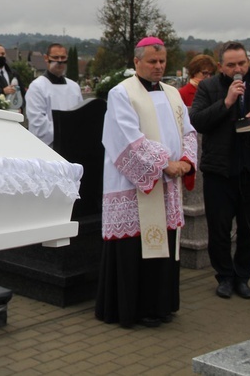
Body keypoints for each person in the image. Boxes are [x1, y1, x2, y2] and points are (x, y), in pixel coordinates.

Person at [95, 37, 197, 329]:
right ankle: (132, 309)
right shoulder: (121, 93)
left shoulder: (173, 94)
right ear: (136, 62)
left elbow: (188, 131)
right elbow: (125, 136)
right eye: (152, 61)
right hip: (134, 184)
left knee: (164, 246)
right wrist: (165, 164)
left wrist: (187, 160)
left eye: (162, 60)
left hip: (169, 184)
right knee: (135, 249)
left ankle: (161, 305)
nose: (158, 66)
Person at [190, 41, 250, 300]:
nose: (238, 69)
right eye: (232, 64)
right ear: (221, 66)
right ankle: (224, 276)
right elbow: (197, 121)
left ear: (249, 63)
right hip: (220, 171)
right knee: (220, 229)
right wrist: (226, 102)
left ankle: (243, 276)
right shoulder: (208, 87)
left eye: (242, 63)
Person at [25, 43, 83, 146]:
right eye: (55, 57)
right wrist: (68, 132)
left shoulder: (74, 87)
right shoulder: (37, 87)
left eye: (63, 57)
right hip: (48, 148)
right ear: (46, 58)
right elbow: (38, 124)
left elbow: (81, 117)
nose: (60, 61)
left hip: (73, 146)